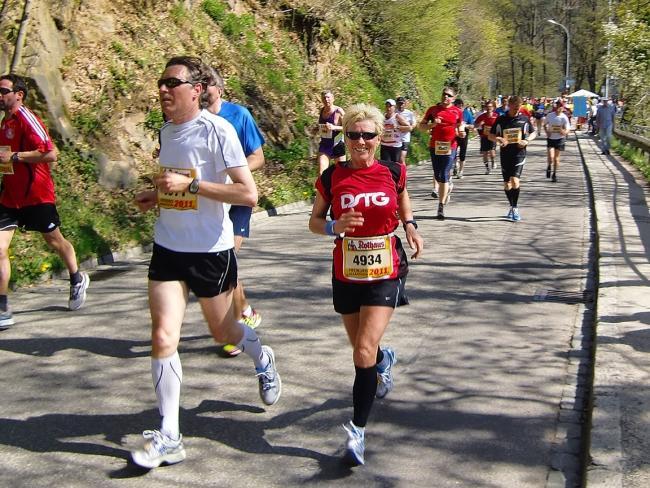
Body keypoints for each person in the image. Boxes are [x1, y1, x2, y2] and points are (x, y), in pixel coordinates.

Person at [130, 56, 280, 469]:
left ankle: (262, 358)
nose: (163, 89)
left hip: (210, 252)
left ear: (196, 89)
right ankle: (170, 436)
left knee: (225, 334)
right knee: (163, 336)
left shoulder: (220, 130)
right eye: (160, 82)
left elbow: (247, 194)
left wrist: (193, 184)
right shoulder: (166, 130)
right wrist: (156, 195)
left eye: (171, 83)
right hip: (168, 247)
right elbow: (175, 187)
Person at [309, 103, 423, 466]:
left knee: (361, 350)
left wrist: (409, 224)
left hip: (385, 267)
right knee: (365, 350)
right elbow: (314, 220)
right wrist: (332, 226)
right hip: (346, 270)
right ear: (346, 137)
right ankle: (383, 360)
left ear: (379, 138)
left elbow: (402, 194)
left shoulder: (393, 170)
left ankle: (357, 431)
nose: (361, 141)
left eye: (368, 135)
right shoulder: (332, 177)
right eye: (354, 135)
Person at [0, 74, 90, 329]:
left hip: (36, 195)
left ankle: (76, 278)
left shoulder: (27, 119)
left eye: (4, 91)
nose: (0, 96)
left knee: (55, 241)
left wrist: (16, 157)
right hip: (9, 197)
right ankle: (3, 306)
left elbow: (51, 154)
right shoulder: (4, 122)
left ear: (19, 94)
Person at [204, 66, 265, 356]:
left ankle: (237, 324)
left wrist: (233, 174)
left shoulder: (239, 115)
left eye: (208, 84)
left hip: (238, 196)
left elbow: (258, 157)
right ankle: (246, 310)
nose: (202, 89)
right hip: (209, 199)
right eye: (199, 84)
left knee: (226, 259)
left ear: (220, 89)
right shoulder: (193, 120)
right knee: (222, 262)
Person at [488, 95, 537, 222]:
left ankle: (515, 208)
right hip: (505, 154)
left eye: (518, 108)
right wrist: (498, 139)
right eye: (514, 108)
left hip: (519, 153)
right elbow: (490, 136)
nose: (516, 110)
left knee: (515, 181)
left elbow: (533, 132)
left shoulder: (524, 119)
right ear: (509, 105)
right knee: (507, 184)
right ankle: (511, 205)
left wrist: (526, 140)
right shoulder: (501, 119)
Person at [419, 87, 463, 220]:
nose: (446, 97)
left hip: (451, 146)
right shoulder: (433, 110)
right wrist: (432, 125)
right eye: (444, 94)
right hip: (435, 146)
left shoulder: (457, 111)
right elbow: (421, 127)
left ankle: (441, 207)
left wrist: (461, 132)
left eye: (449, 95)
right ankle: (447, 185)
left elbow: (460, 125)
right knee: (438, 175)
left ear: (453, 98)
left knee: (443, 174)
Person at [316, 90, 345, 174]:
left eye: (328, 97)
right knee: (322, 173)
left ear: (333, 99)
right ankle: (326, 187)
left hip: (337, 143)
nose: (326, 100)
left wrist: (334, 127)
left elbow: (348, 127)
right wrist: (317, 129)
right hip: (325, 144)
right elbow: (321, 125)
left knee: (341, 173)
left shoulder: (339, 111)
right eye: (324, 98)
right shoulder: (322, 111)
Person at [543, 99, 570, 182]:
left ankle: (554, 174)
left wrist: (563, 132)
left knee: (556, 158)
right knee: (551, 157)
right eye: (557, 105)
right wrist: (547, 132)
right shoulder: (550, 115)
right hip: (551, 138)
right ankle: (549, 166)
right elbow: (544, 125)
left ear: (562, 108)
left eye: (560, 106)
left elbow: (568, 129)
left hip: (560, 139)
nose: (558, 107)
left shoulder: (564, 117)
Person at [474, 100, 498, 174]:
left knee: (492, 153)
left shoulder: (496, 116)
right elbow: (475, 125)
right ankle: (487, 168)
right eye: (487, 107)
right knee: (484, 153)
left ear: (493, 107)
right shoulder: (482, 116)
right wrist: (480, 124)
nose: (488, 108)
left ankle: (493, 161)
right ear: (485, 108)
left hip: (493, 136)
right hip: (484, 136)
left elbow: (500, 124)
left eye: (490, 107)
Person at [452, 98, 474, 179]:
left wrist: (466, 125)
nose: (459, 108)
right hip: (454, 136)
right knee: (453, 153)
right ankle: (455, 165)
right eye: (458, 106)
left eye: (461, 106)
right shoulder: (452, 112)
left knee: (462, 154)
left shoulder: (467, 113)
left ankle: (461, 171)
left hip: (464, 136)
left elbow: (472, 125)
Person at [395, 96, 417, 164]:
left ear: (405, 104)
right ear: (396, 104)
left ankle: (403, 174)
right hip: (395, 138)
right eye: (399, 103)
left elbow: (414, 123)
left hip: (405, 138)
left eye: (402, 103)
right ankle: (398, 173)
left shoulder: (409, 113)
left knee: (401, 159)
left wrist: (410, 127)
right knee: (396, 159)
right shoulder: (394, 112)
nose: (401, 105)